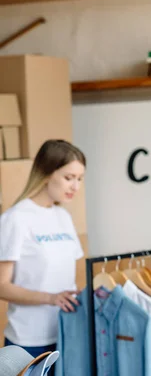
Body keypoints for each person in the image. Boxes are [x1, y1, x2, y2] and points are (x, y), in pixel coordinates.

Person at [0, 139, 85, 363]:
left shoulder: (63, 217)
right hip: (29, 341)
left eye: (79, 179)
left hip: (68, 333)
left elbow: (69, 278)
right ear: (47, 173)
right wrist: (50, 298)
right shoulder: (16, 219)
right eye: (69, 178)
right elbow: (1, 286)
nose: (75, 186)